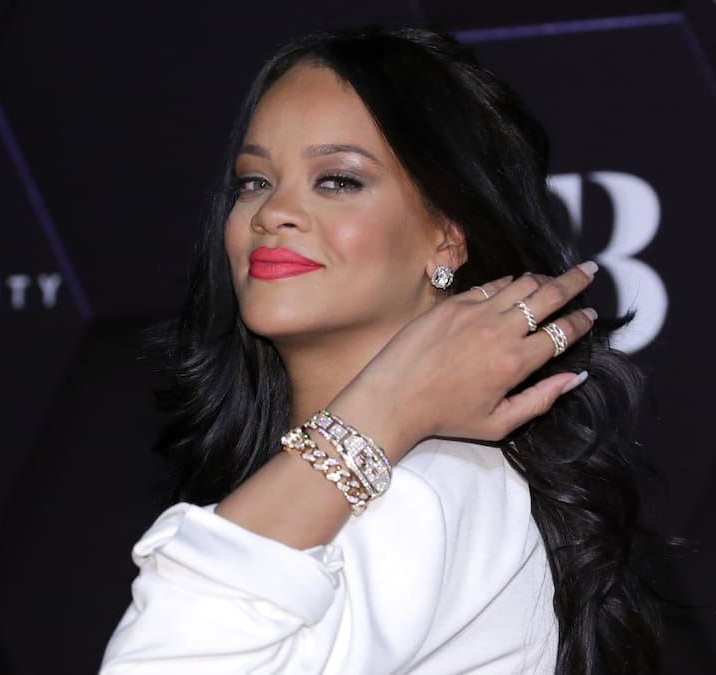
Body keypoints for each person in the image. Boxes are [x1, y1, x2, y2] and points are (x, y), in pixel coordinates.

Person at [98, 25, 662, 674]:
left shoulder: (430, 487)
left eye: (337, 180)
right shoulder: (352, 482)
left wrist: (385, 410)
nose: (273, 212)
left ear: (447, 237)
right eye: (253, 181)